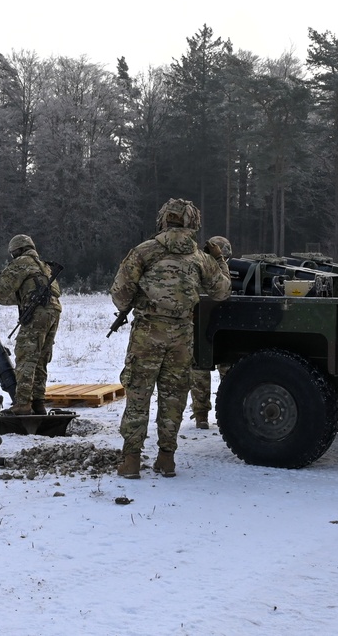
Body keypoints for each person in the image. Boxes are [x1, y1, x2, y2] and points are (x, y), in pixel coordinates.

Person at [111, 199, 231, 479]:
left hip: (147, 333)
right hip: (181, 336)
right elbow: (222, 292)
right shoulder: (200, 257)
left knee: (138, 395)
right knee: (174, 398)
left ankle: (130, 461)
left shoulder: (144, 251)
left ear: (163, 220)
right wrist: (220, 259)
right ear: (192, 222)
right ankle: (167, 459)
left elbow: (119, 294)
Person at [0, 234, 61, 415]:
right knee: (40, 358)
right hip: (54, 311)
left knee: (26, 356)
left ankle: (22, 404)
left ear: (17, 251)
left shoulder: (22, 262)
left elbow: (3, 285)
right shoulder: (43, 266)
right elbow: (20, 296)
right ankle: (38, 403)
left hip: (38, 313)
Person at [190, 236, 233, 429]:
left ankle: (201, 416)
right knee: (228, 371)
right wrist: (220, 261)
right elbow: (225, 285)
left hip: (201, 325)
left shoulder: (195, 266)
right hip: (221, 329)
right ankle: (228, 414)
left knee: (199, 371)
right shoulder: (217, 268)